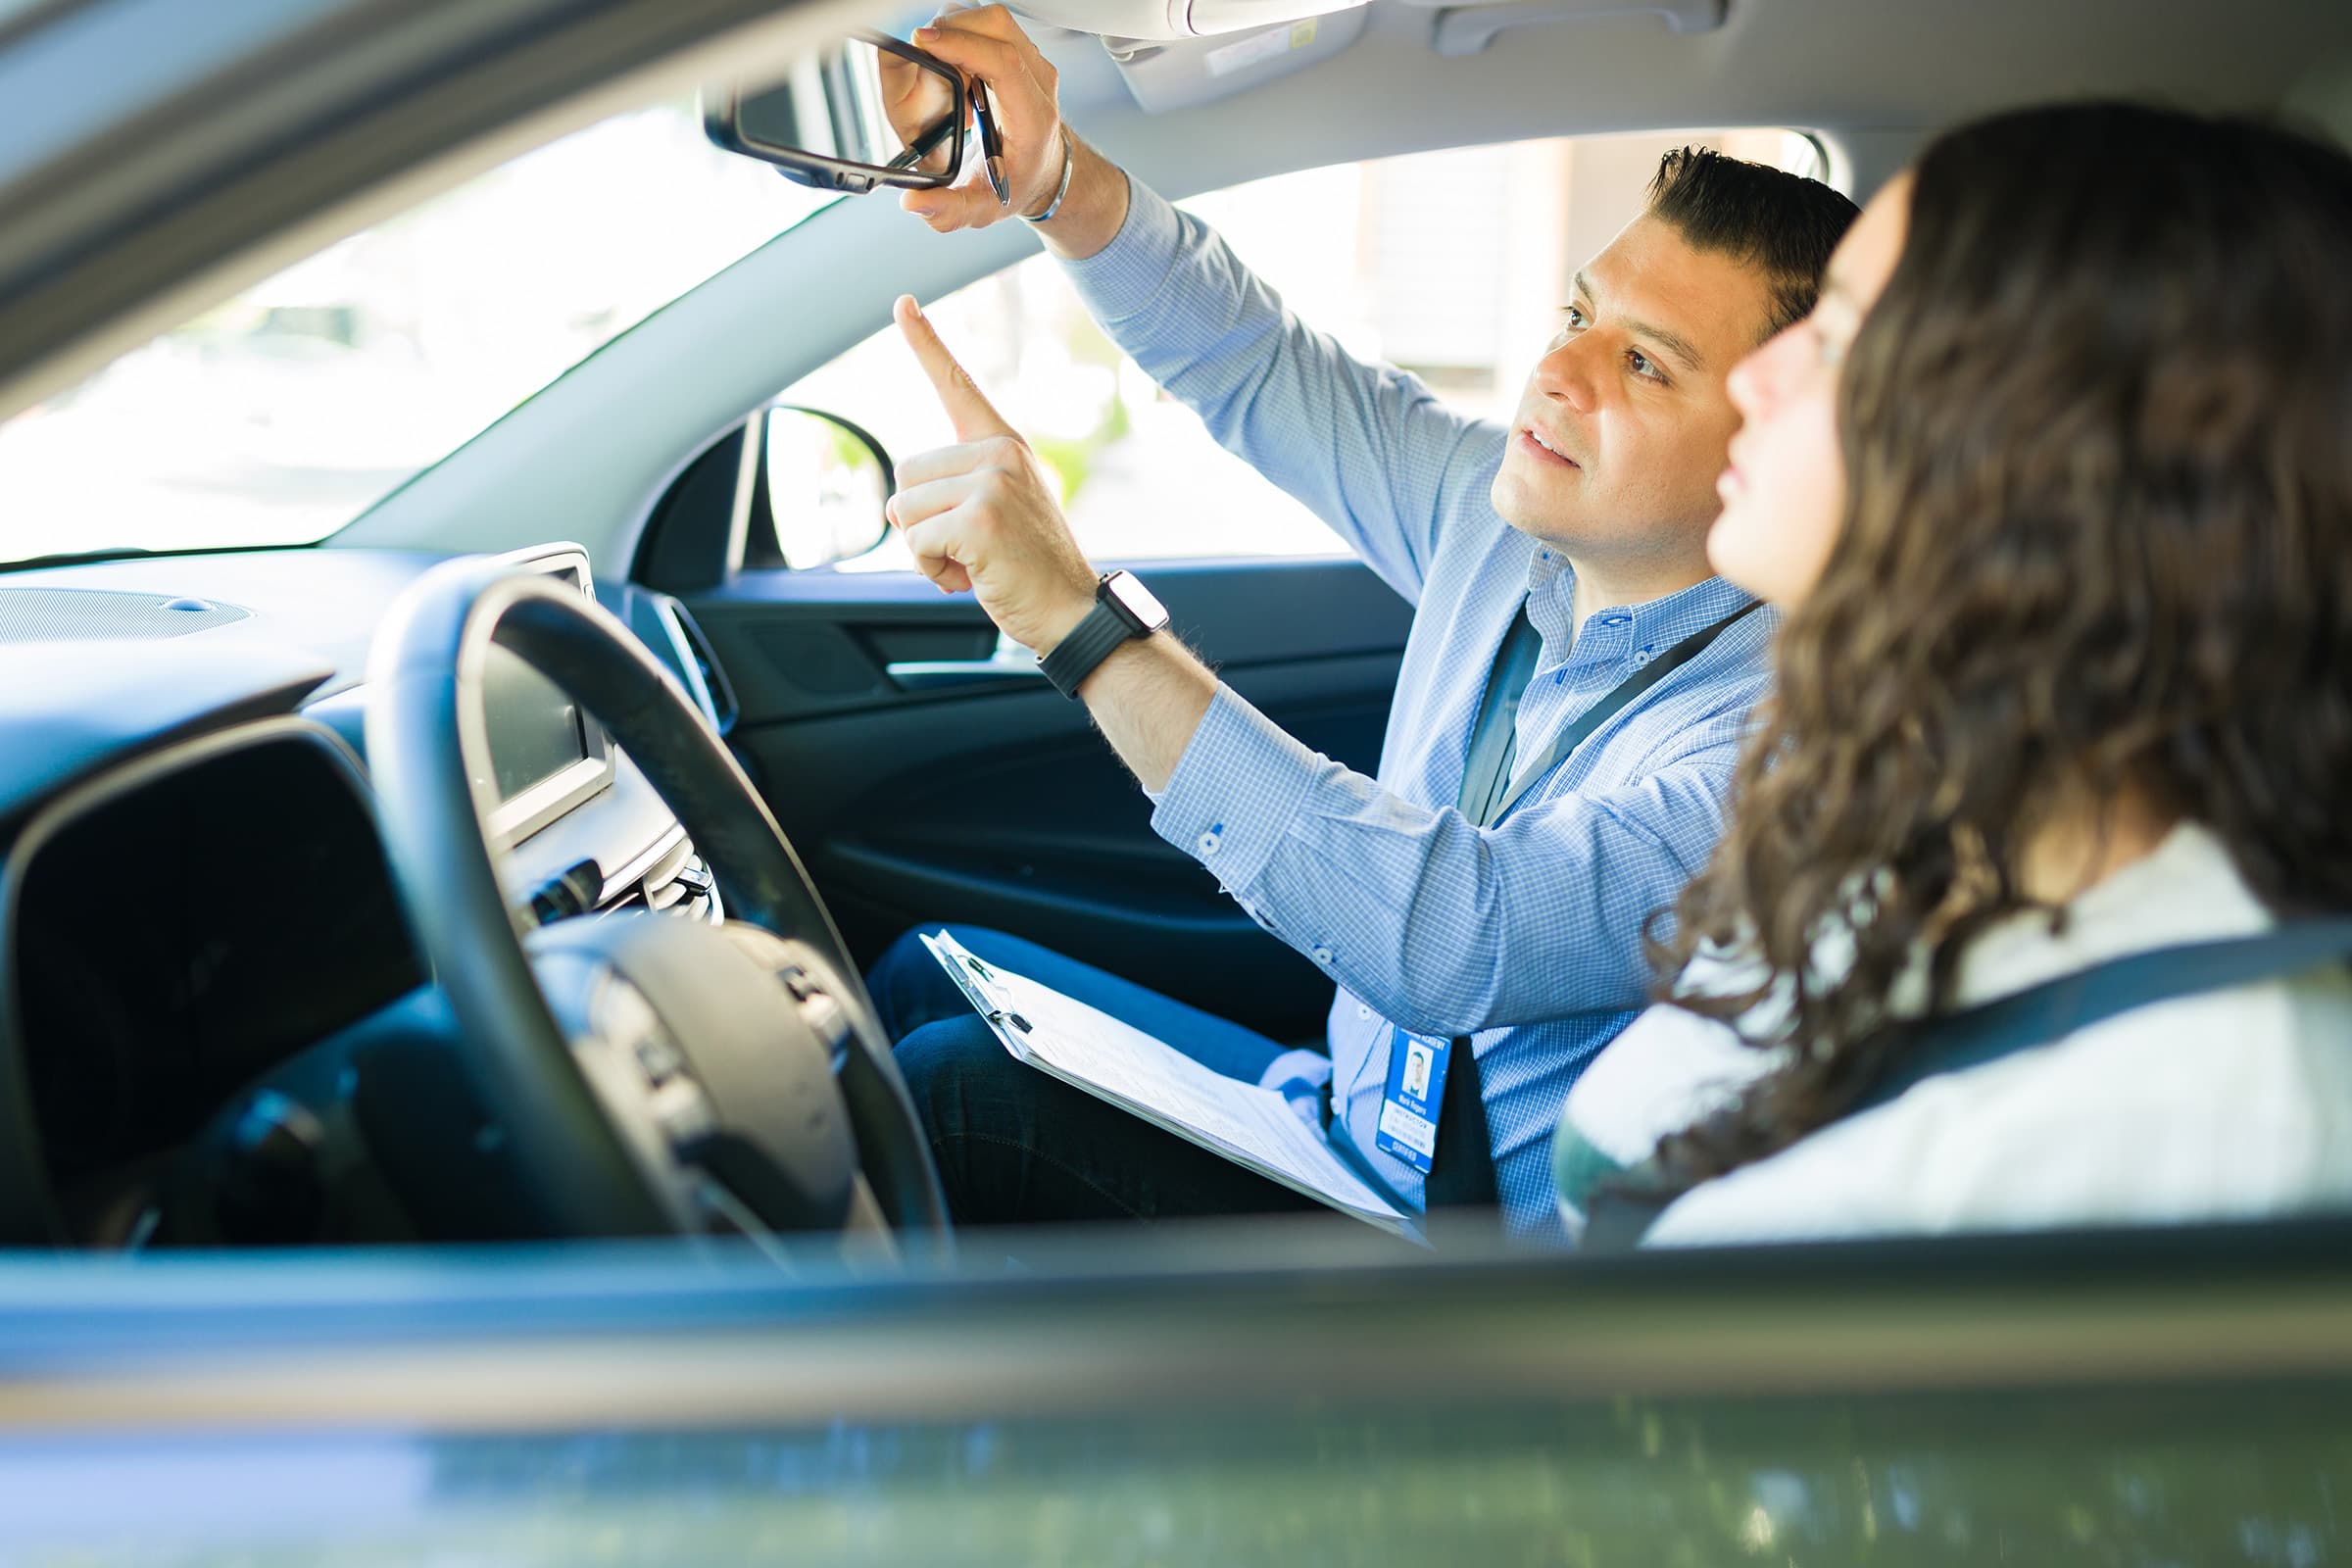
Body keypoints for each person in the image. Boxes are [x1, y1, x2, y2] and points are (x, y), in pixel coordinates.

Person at [859, 6, 1856, 1239]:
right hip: (1334, 1119)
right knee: (922, 968)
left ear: (1778, 433)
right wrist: (1055, 178)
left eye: (1644, 364)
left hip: (1465, 1278)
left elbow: (1456, 933)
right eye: (1575, 315)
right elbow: (1258, 365)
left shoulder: (1786, 749)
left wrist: (1080, 620)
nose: (1562, 371)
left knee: (957, 1098)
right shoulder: (1497, 520)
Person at [1550, 101, 2352, 1247]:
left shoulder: (2217, 1107)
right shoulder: (1912, 831)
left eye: (1835, 339)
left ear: (2030, 474)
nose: (1757, 382)